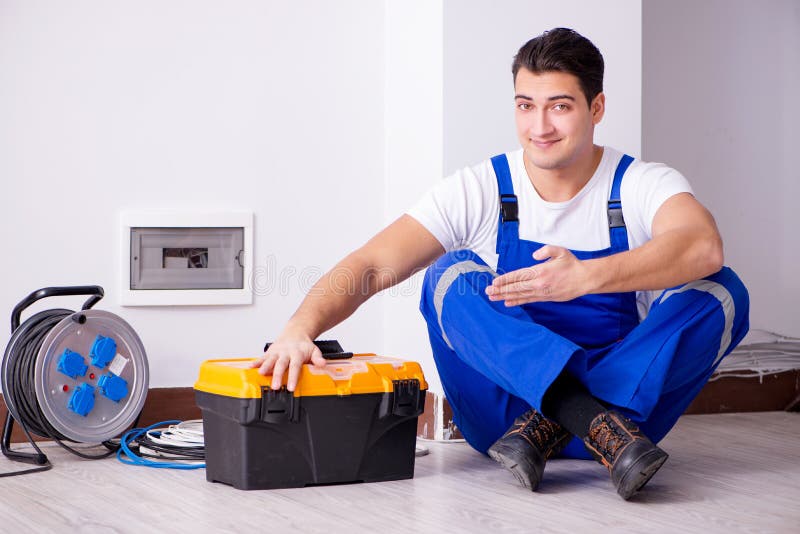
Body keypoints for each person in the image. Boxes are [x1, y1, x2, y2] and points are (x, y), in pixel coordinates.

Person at [252, 27, 749, 500]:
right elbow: (375, 262)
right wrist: (300, 326)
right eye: (525, 106)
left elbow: (702, 245)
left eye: (559, 106)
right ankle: (574, 411)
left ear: (596, 107)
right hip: (506, 423)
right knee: (449, 274)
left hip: (624, 423)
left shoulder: (641, 183)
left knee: (720, 289)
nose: (540, 127)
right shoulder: (481, 187)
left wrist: (585, 276)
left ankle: (561, 422)